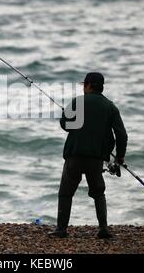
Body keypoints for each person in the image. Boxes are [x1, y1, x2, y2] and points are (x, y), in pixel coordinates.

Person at [48, 72, 128, 239]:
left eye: (84, 84)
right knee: (98, 192)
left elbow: (65, 125)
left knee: (66, 193)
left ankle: (61, 229)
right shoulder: (110, 106)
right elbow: (121, 135)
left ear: (89, 85)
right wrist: (120, 157)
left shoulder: (78, 102)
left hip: (75, 155)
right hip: (96, 158)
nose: (83, 88)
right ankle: (103, 228)